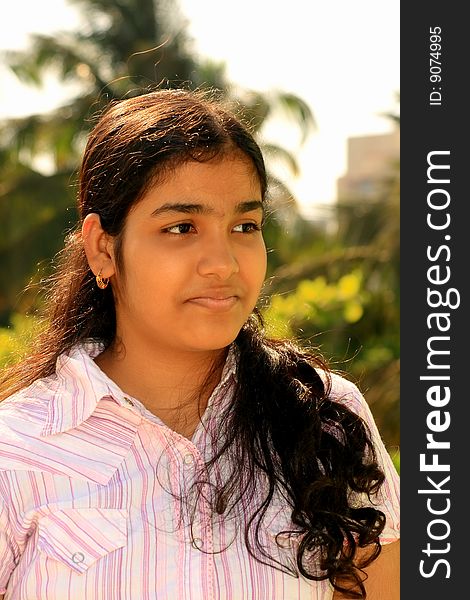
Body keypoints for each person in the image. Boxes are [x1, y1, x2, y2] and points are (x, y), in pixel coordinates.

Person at [0, 88, 399, 600]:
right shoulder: (18, 450)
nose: (224, 263)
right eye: (182, 227)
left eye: (244, 226)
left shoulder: (324, 418)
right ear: (103, 247)